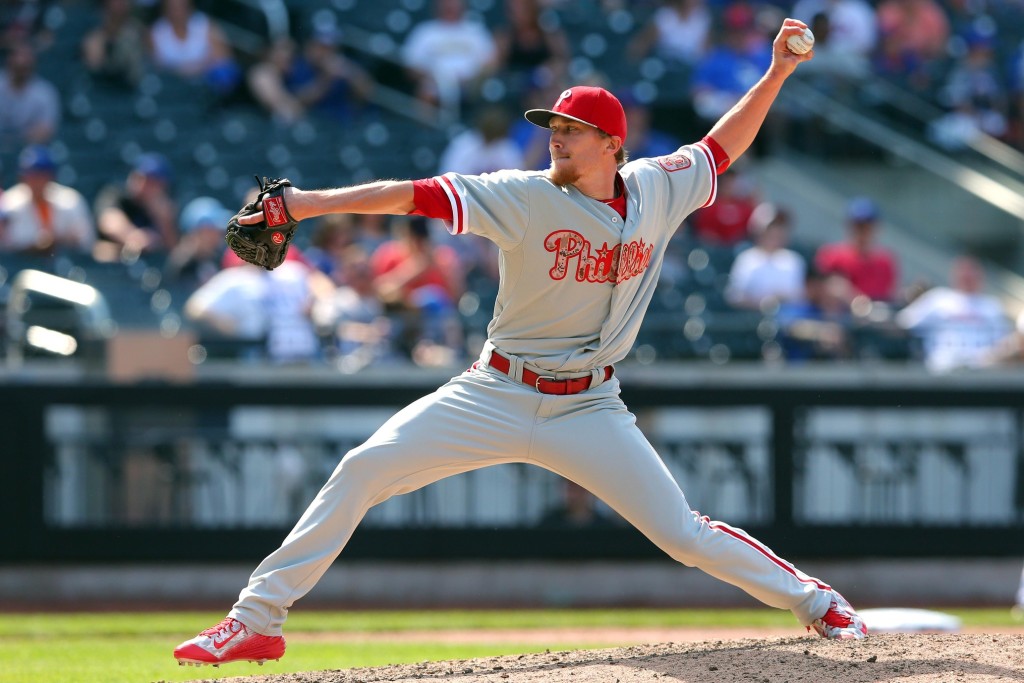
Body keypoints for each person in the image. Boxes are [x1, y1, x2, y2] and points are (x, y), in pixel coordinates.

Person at [173, 19, 867, 668]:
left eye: (572, 130)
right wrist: (304, 204)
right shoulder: (523, 194)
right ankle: (258, 618)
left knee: (682, 532)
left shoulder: (658, 187)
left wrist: (776, 74)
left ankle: (820, 602)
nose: (556, 138)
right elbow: (409, 196)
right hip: (496, 390)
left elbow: (721, 145)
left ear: (612, 145)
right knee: (361, 468)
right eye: (553, 127)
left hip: (590, 406)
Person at [894, 255, 1011, 373]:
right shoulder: (938, 299)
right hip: (942, 370)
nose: (968, 275)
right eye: (964, 270)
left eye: (972, 270)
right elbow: (903, 323)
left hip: (982, 373)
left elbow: (1003, 343)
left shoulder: (992, 306)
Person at [0, 144, 95, 256]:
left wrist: (56, 241)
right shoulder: (8, 204)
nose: (36, 181)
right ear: (22, 177)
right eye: (31, 175)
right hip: (22, 265)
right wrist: (39, 245)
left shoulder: (70, 201)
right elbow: (6, 248)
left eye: (41, 175)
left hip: (67, 266)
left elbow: (87, 242)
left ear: (51, 176)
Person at [93, 152, 178, 261]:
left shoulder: (164, 209)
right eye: (142, 178)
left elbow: (174, 251)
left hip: (151, 271)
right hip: (113, 263)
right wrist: (136, 238)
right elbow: (109, 222)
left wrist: (164, 220)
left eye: (153, 182)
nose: (145, 185)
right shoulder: (115, 195)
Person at [814, 197, 900, 303]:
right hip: (841, 317)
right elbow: (820, 291)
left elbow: (889, 295)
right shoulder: (832, 255)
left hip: (877, 315)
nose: (863, 232)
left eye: (867, 226)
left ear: (877, 227)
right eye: (858, 226)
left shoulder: (886, 261)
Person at [725, 202, 806, 312]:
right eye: (771, 227)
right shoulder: (746, 259)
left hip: (785, 322)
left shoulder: (795, 261)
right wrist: (761, 303)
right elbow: (734, 296)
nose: (776, 232)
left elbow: (798, 298)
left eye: (780, 227)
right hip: (751, 321)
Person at [0, 40, 60, 154]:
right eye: (18, 66)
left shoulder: (45, 92)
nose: (21, 69)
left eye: (25, 65)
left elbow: (45, 130)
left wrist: (14, 141)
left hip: (29, 151)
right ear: (9, 61)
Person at [80, 0, 149, 89]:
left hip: (132, 88)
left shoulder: (140, 31)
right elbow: (93, 69)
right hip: (102, 88)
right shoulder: (94, 36)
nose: (119, 4)